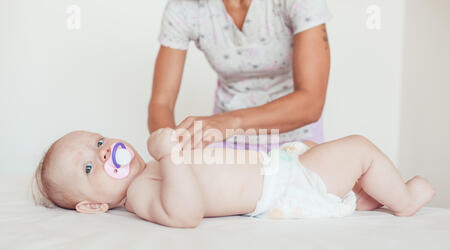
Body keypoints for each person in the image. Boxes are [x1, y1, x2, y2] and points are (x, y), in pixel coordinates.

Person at [32, 129, 435, 228]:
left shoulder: (151, 168)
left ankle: (359, 200)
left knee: (319, 149)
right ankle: (404, 201)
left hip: (278, 166)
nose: (103, 152)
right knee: (359, 149)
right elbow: (185, 214)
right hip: (283, 185)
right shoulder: (138, 193)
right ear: (92, 205)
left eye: (99, 141)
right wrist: (171, 154)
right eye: (89, 168)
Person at [149, 0, 333, 151]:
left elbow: (311, 102)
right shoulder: (183, 9)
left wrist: (229, 123)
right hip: (226, 141)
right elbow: (161, 103)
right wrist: (172, 150)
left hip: (296, 136)